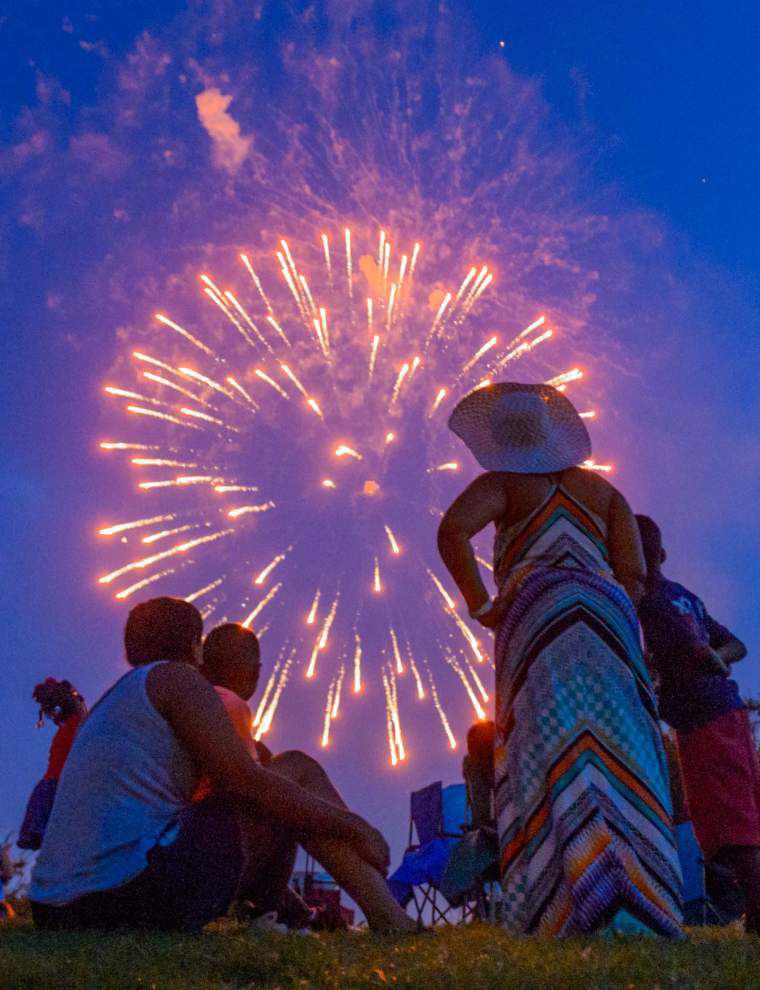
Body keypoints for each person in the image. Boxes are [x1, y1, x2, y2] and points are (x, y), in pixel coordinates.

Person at [437, 382, 682, 937]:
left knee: (549, 746)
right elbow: (635, 574)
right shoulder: (604, 494)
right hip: (607, 620)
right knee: (623, 748)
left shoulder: (502, 484)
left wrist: (482, 604)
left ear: (499, 441)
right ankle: (642, 899)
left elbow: (452, 531)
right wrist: (605, 606)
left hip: (538, 617)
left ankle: (563, 900)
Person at [30, 596, 415, 933]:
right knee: (294, 769)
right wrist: (355, 827)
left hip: (56, 909)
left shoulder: (116, 700)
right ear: (195, 648)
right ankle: (390, 918)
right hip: (121, 899)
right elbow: (246, 782)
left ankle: (360, 915)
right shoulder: (175, 681)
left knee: (276, 787)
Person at [635, 514, 760, 932]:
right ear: (664, 553)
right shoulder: (683, 596)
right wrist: (719, 663)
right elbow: (735, 645)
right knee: (736, 813)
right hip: (726, 711)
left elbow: (703, 655)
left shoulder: (650, 606)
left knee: (730, 821)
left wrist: (703, 663)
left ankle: (759, 914)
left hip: (704, 717)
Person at [18, 678, 87, 850]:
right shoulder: (66, 728)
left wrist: (59, 689)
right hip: (53, 784)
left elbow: (77, 704)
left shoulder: (79, 723)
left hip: (60, 785)